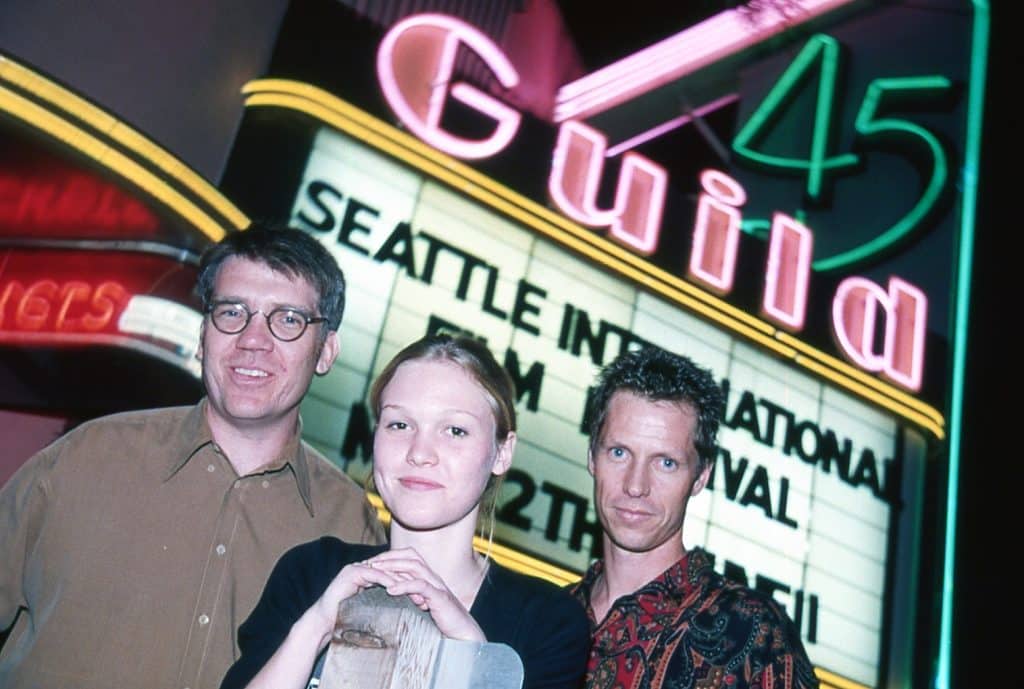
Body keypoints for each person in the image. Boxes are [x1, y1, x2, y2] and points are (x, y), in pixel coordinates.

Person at [0, 225, 385, 689]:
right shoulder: (84, 458)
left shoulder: (351, 529)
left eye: (287, 320)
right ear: (204, 335)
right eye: (232, 312)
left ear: (326, 351)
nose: (252, 340)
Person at [220, 334, 590, 689]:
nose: (419, 452)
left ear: (502, 452)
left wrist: (472, 652)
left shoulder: (547, 622)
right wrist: (314, 626)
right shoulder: (310, 573)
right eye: (399, 424)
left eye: (455, 430)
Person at [571, 346, 819, 689]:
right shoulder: (545, 617)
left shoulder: (755, 631)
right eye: (619, 452)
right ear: (592, 458)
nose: (635, 485)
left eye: (666, 463)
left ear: (701, 476)